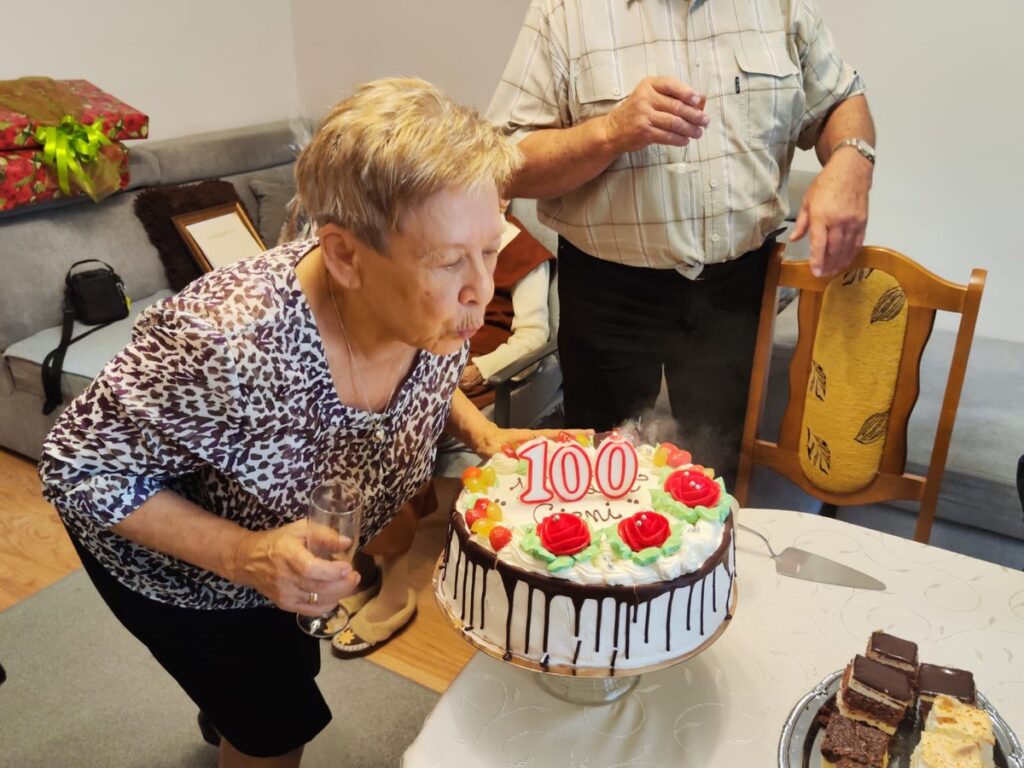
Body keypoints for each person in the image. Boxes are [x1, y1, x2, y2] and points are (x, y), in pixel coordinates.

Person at [38, 77, 564, 768]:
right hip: (183, 574)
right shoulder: (225, 342)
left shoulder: (435, 292)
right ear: (345, 255)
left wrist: (482, 435)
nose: (482, 290)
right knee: (276, 724)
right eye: (448, 262)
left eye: (490, 248)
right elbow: (75, 467)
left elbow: (432, 368)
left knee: (275, 674)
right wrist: (244, 557)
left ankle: (228, 704)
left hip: (288, 545)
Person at [488, 0, 876, 486]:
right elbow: (506, 160)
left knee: (718, 476)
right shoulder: (564, 12)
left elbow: (843, 100)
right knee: (599, 485)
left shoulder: (781, 6)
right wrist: (608, 132)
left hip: (738, 289)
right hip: (608, 295)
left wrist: (852, 160)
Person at [328, 199, 554, 658]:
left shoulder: (525, 255)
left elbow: (533, 336)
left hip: (475, 375)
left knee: (391, 448)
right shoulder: (415, 244)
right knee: (348, 445)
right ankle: (363, 567)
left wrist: (477, 373)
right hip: (426, 361)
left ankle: (394, 589)